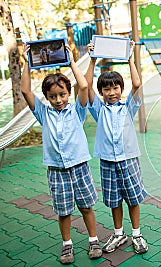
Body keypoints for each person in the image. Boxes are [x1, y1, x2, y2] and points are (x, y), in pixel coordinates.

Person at [20, 44, 102, 264]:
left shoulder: (77, 110)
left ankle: (93, 239)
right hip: (57, 170)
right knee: (64, 211)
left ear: (68, 93)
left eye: (62, 94)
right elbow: (26, 91)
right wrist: (27, 62)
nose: (58, 100)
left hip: (79, 166)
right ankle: (67, 244)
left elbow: (84, 86)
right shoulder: (44, 113)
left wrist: (70, 61)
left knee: (86, 207)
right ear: (46, 97)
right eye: (53, 96)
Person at [85, 41, 148, 255]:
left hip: (129, 159)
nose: (111, 92)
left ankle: (137, 234)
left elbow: (137, 84)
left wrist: (130, 57)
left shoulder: (128, 106)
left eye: (115, 87)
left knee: (133, 197)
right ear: (101, 92)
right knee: (114, 199)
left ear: (121, 88)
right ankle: (119, 233)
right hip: (107, 161)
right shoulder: (98, 110)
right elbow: (85, 86)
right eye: (106, 89)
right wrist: (93, 60)